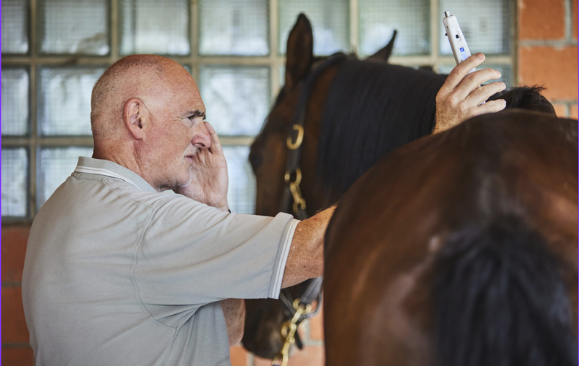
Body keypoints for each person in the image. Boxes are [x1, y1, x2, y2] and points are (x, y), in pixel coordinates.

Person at [22, 53, 505, 366]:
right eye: (192, 115)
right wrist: (439, 143)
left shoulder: (64, 208)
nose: (202, 135)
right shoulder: (146, 223)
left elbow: (231, 329)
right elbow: (317, 249)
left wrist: (214, 206)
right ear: (138, 119)